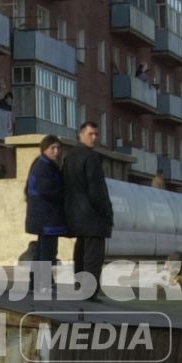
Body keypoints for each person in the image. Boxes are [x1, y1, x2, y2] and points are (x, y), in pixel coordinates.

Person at [62, 121, 114, 298]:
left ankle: (79, 286)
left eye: (96, 134)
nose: (94, 138)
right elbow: (96, 189)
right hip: (92, 215)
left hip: (75, 214)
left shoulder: (69, 157)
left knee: (80, 252)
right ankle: (89, 291)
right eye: (91, 134)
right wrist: (105, 211)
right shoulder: (91, 158)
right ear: (81, 134)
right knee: (93, 256)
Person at [23, 135, 67, 296]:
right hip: (46, 218)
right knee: (47, 252)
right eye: (52, 148)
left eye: (58, 148)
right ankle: (42, 283)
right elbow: (48, 191)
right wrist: (65, 193)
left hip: (45, 218)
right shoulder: (43, 167)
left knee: (42, 251)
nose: (56, 151)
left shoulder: (46, 165)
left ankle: (36, 283)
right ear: (44, 149)